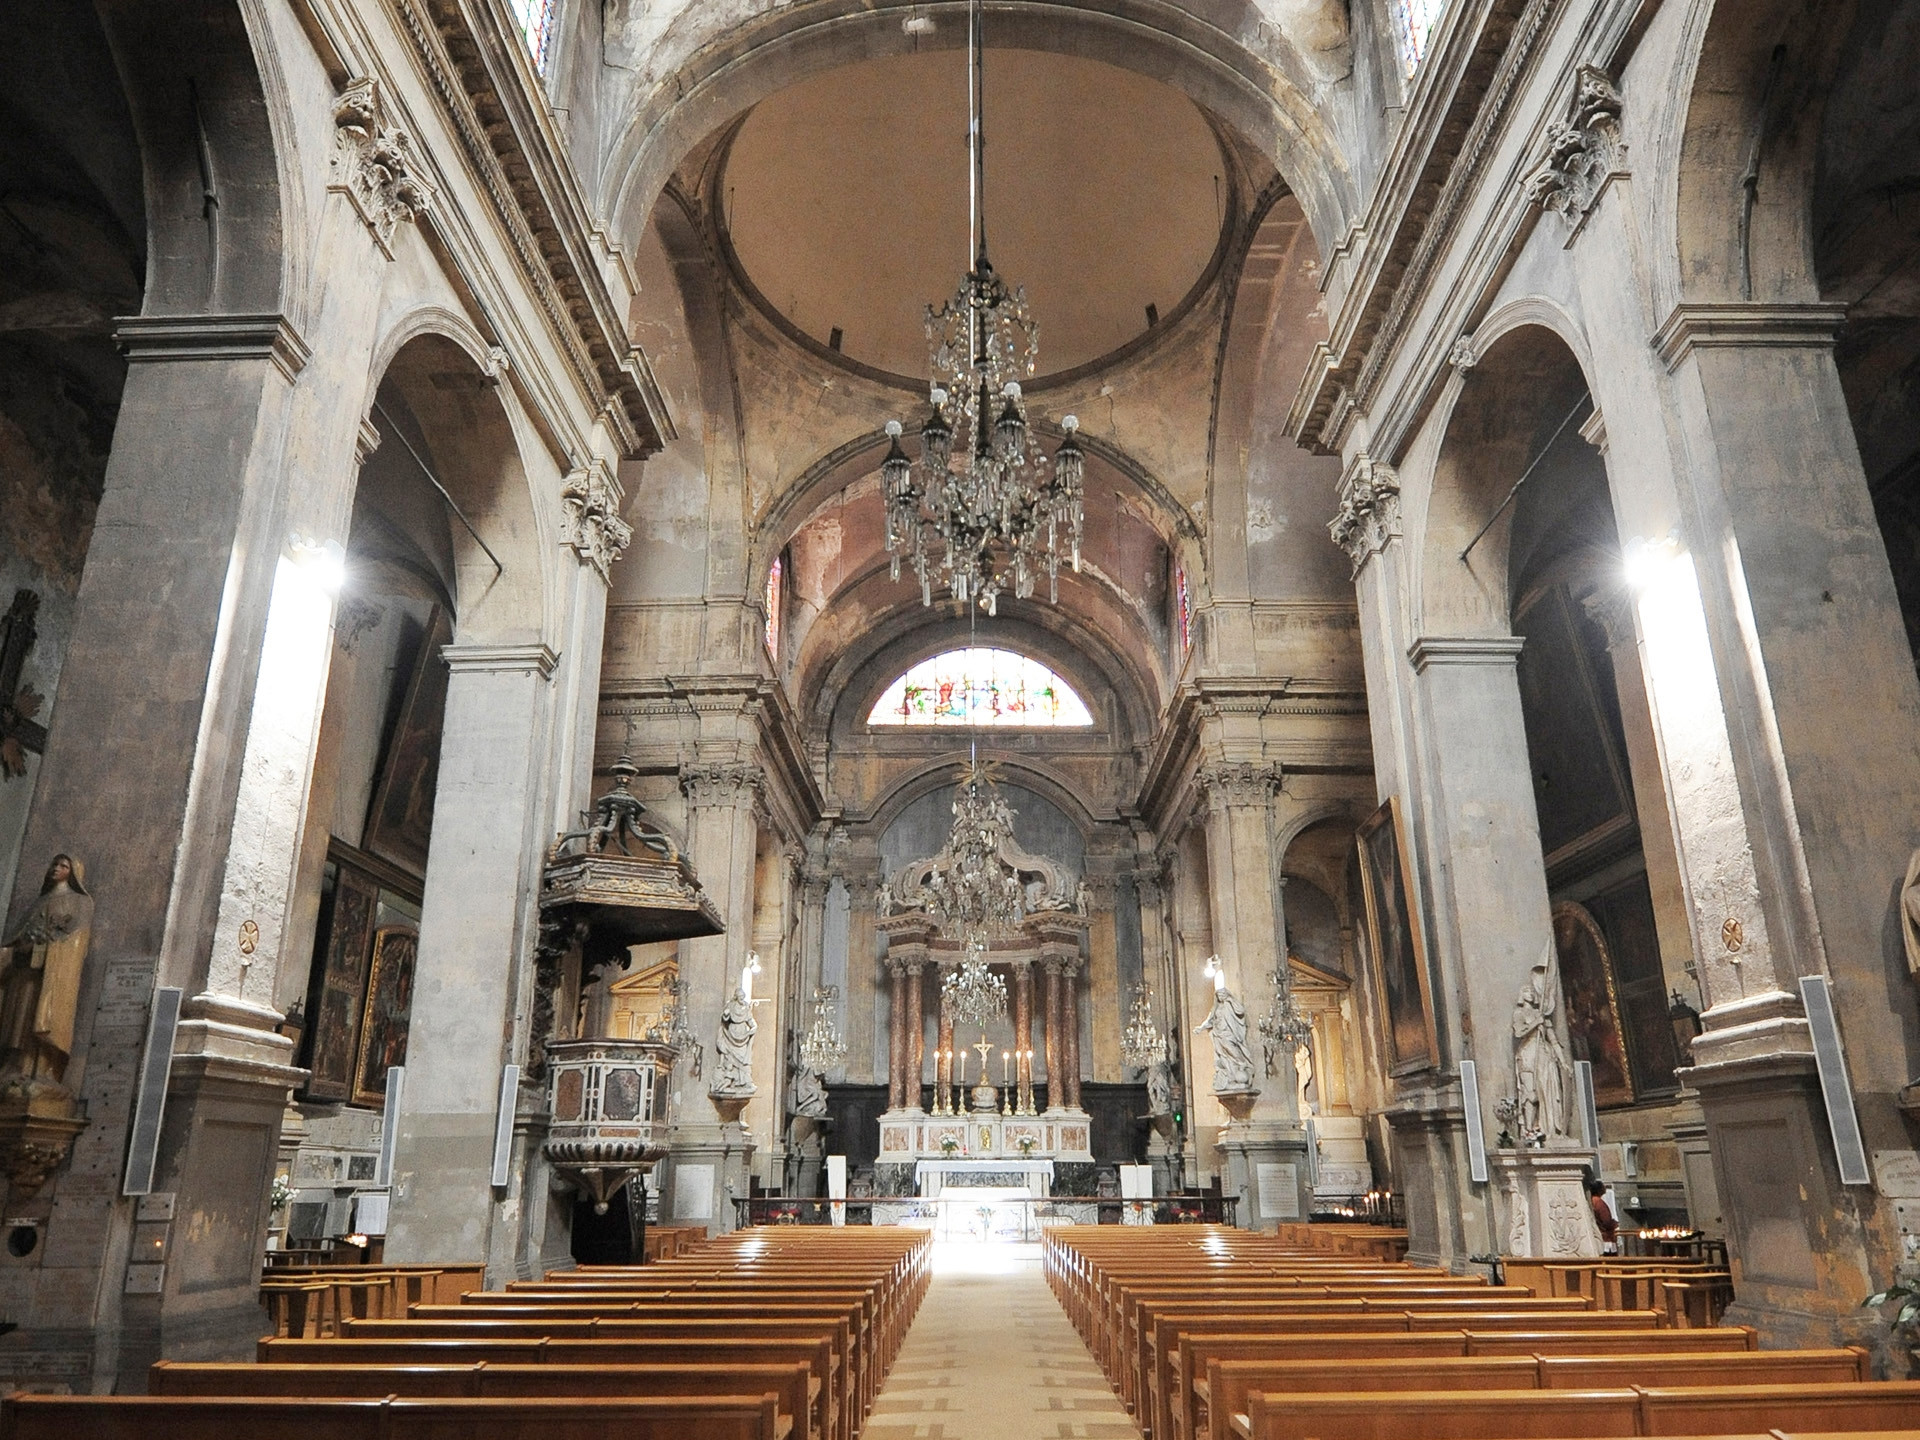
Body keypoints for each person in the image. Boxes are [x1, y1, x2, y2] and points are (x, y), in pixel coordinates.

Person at [0, 854, 92, 1083]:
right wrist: (17, 948)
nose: (56, 869)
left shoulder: (79, 902)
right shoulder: (40, 901)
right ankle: (13, 1065)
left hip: (47, 975)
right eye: (54, 864)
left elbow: (75, 942)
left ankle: (36, 1068)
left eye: (63, 865)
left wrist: (48, 951)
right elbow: (18, 936)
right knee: (16, 1022)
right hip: (23, 973)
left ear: (73, 873)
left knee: (37, 1018)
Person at [1588, 1178, 1619, 1254]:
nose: (1605, 1188)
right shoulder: (1598, 1202)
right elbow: (1606, 1221)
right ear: (1599, 1189)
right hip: (1605, 1238)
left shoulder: (1592, 1200)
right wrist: (1614, 1223)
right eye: (1603, 1186)